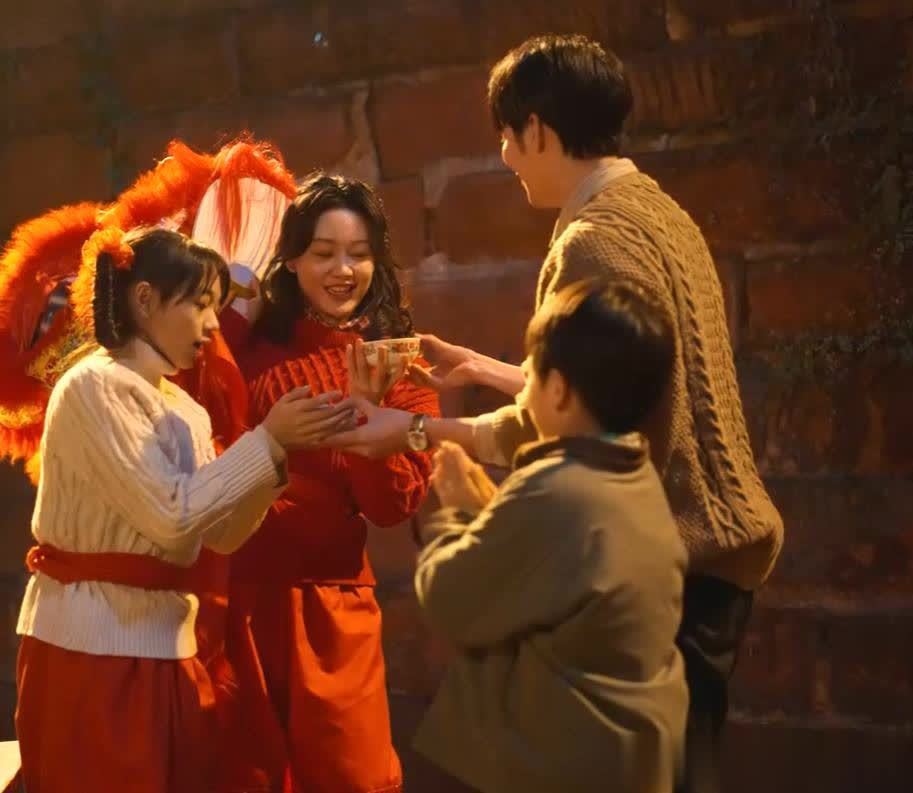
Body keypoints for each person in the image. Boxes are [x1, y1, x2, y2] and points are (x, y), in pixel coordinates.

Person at [328, 34, 783, 793]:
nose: (506, 157)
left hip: (666, 555)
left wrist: (415, 432)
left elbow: (578, 424)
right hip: (707, 546)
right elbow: (621, 386)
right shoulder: (657, 212)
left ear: (536, 129)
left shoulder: (591, 242)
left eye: (508, 136)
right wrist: (484, 369)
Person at [14, 226, 355, 793]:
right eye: (199, 304)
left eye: (216, 306)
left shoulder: (184, 408)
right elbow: (171, 517)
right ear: (145, 299)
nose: (213, 324)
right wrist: (266, 440)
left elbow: (219, 535)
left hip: (168, 644)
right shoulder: (94, 385)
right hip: (89, 648)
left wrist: (277, 453)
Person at [400, 281, 688, 792]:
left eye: (531, 369)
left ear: (559, 391)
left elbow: (451, 598)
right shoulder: (633, 475)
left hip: (565, 762)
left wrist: (453, 512)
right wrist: (488, 513)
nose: (524, 384)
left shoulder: (555, 488)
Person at [218, 172, 440, 792]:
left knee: (352, 775)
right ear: (290, 259)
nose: (343, 270)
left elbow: (393, 507)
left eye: (359, 254)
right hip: (238, 603)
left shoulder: (398, 362)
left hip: (334, 609)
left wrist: (369, 419)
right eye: (324, 253)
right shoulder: (244, 350)